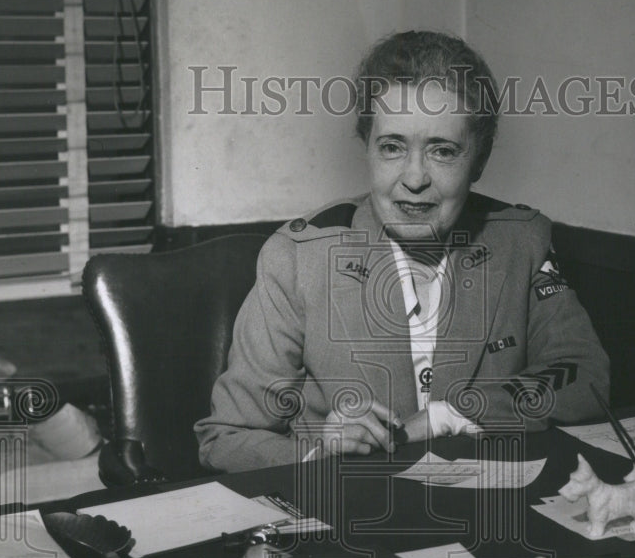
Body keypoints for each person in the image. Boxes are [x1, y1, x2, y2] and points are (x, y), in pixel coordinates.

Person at [194, 31, 609, 472]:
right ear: (367, 148)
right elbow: (227, 437)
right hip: (348, 515)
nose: (414, 178)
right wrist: (320, 453)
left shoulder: (521, 242)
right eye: (392, 147)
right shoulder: (298, 258)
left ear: (480, 160)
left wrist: (446, 416)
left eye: (443, 151)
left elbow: (584, 377)